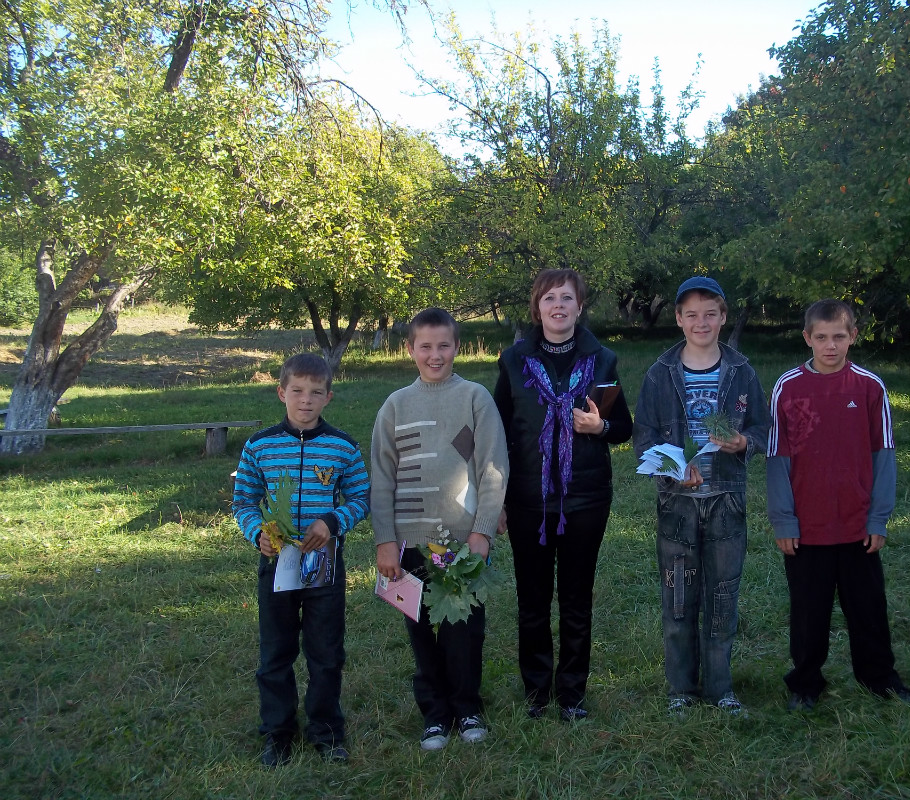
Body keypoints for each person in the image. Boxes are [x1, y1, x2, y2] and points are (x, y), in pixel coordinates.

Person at [767, 299, 910, 711]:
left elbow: (883, 456)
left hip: (857, 525)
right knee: (808, 613)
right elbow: (778, 458)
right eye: (821, 337)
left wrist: (878, 518)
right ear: (807, 338)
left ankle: (880, 679)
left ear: (853, 336)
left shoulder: (869, 387)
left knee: (868, 609)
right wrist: (784, 520)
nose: (830, 346)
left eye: (839, 336)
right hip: (807, 528)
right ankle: (805, 684)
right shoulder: (788, 388)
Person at [494, 268, 633, 722]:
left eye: (567, 298)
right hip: (527, 499)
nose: (558, 305)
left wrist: (600, 426)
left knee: (576, 600)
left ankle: (572, 693)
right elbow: (497, 433)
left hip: (585, 499)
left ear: (579, 306)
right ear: (537, 307)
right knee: (532, 601)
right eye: (549, 298)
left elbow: (622, 427)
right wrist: (497, 499)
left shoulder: (603, 359)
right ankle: (537, 692)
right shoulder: (513, 361)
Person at [371, 308, 509, 751]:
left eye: (444, 346)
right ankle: (434, 714)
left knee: (463, 629)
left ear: (457, 347)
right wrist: (386, 542)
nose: (435, 355)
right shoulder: (395, 406)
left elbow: (492, 467)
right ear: (410, 349)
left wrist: (482, 531)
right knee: (421, 629)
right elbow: (382, 479)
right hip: (409, 543)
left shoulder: (474, 398)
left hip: (459, 543)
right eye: (425, 346)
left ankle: (467, 708)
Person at [633, 276, 770, 716]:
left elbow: (763, 428)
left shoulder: (741, 371)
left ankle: (720, 688)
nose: (701, 322)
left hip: (726, 501)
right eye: (691, 315)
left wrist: (743, 442)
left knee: (723, 597)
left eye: (710, 314)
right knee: (678, 600)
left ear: (723, 317)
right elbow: (644, 437)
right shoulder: (660, 373)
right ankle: (681, 690)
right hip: (678, 507)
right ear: (678, 319)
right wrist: (674, 471)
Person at [232, 353, 370, 767]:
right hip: (277, 565)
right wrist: (258, 533)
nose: (305, 400)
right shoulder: (260, 446)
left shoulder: (343, 447)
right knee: (275, 652)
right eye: (297, 391)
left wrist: (332, 521)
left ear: (329, 397)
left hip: (324, 567)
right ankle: (278, 733)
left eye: (315, 392)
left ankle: (326, 730)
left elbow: (361, 498)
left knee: (326, 652)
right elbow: (244, 501)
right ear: (281, 393)